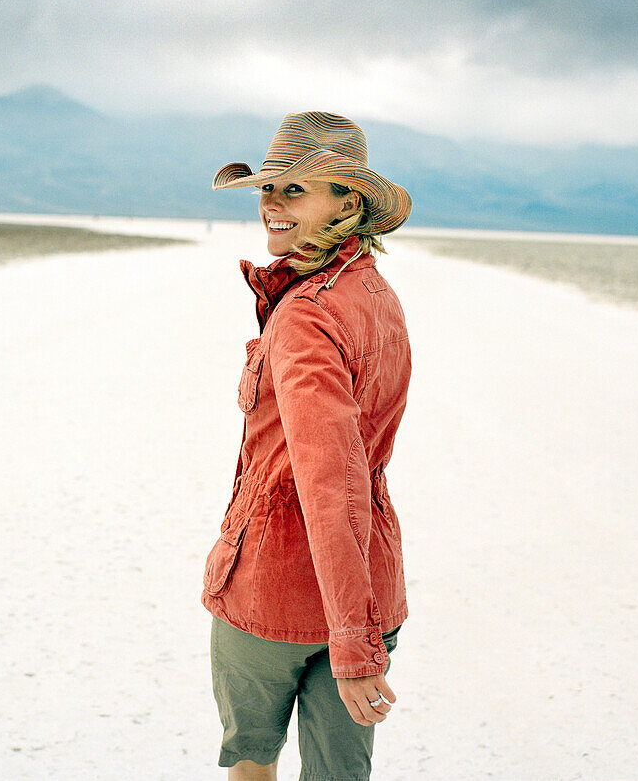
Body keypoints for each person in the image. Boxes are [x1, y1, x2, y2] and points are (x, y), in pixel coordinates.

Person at [202, 112, 413, 780]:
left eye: (295, 190)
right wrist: (360, 634)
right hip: (369, 581)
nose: (270, 205)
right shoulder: (378, 296)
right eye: (268, 190)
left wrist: (351, 650)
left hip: (273, 592)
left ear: (348, 201)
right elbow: (354, 475)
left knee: (250, 763)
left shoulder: (304, 316)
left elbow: (330, 483)